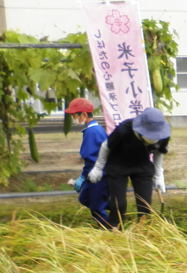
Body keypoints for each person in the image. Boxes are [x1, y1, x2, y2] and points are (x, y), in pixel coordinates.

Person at [88, 107, 171, 229]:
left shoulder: (163, 134)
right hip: (118, 164)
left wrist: (159, 175)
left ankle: (143, 232)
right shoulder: (124, 129)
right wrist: (98, 167)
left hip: (142, 165)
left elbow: (159, 152)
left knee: (145, 205)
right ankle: (115, 231)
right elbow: (106, 146)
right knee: (119, 205)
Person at [66, 98, 109, 228]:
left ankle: (110, 229)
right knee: (84, 198)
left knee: (96, 207)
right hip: (99, 173)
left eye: (75, 116)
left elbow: (91, 160)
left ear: (84, 114)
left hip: (99, 175)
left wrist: (82, 178)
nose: (74, 119)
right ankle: (112, 208)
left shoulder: (91, 132)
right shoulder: (96, 129)